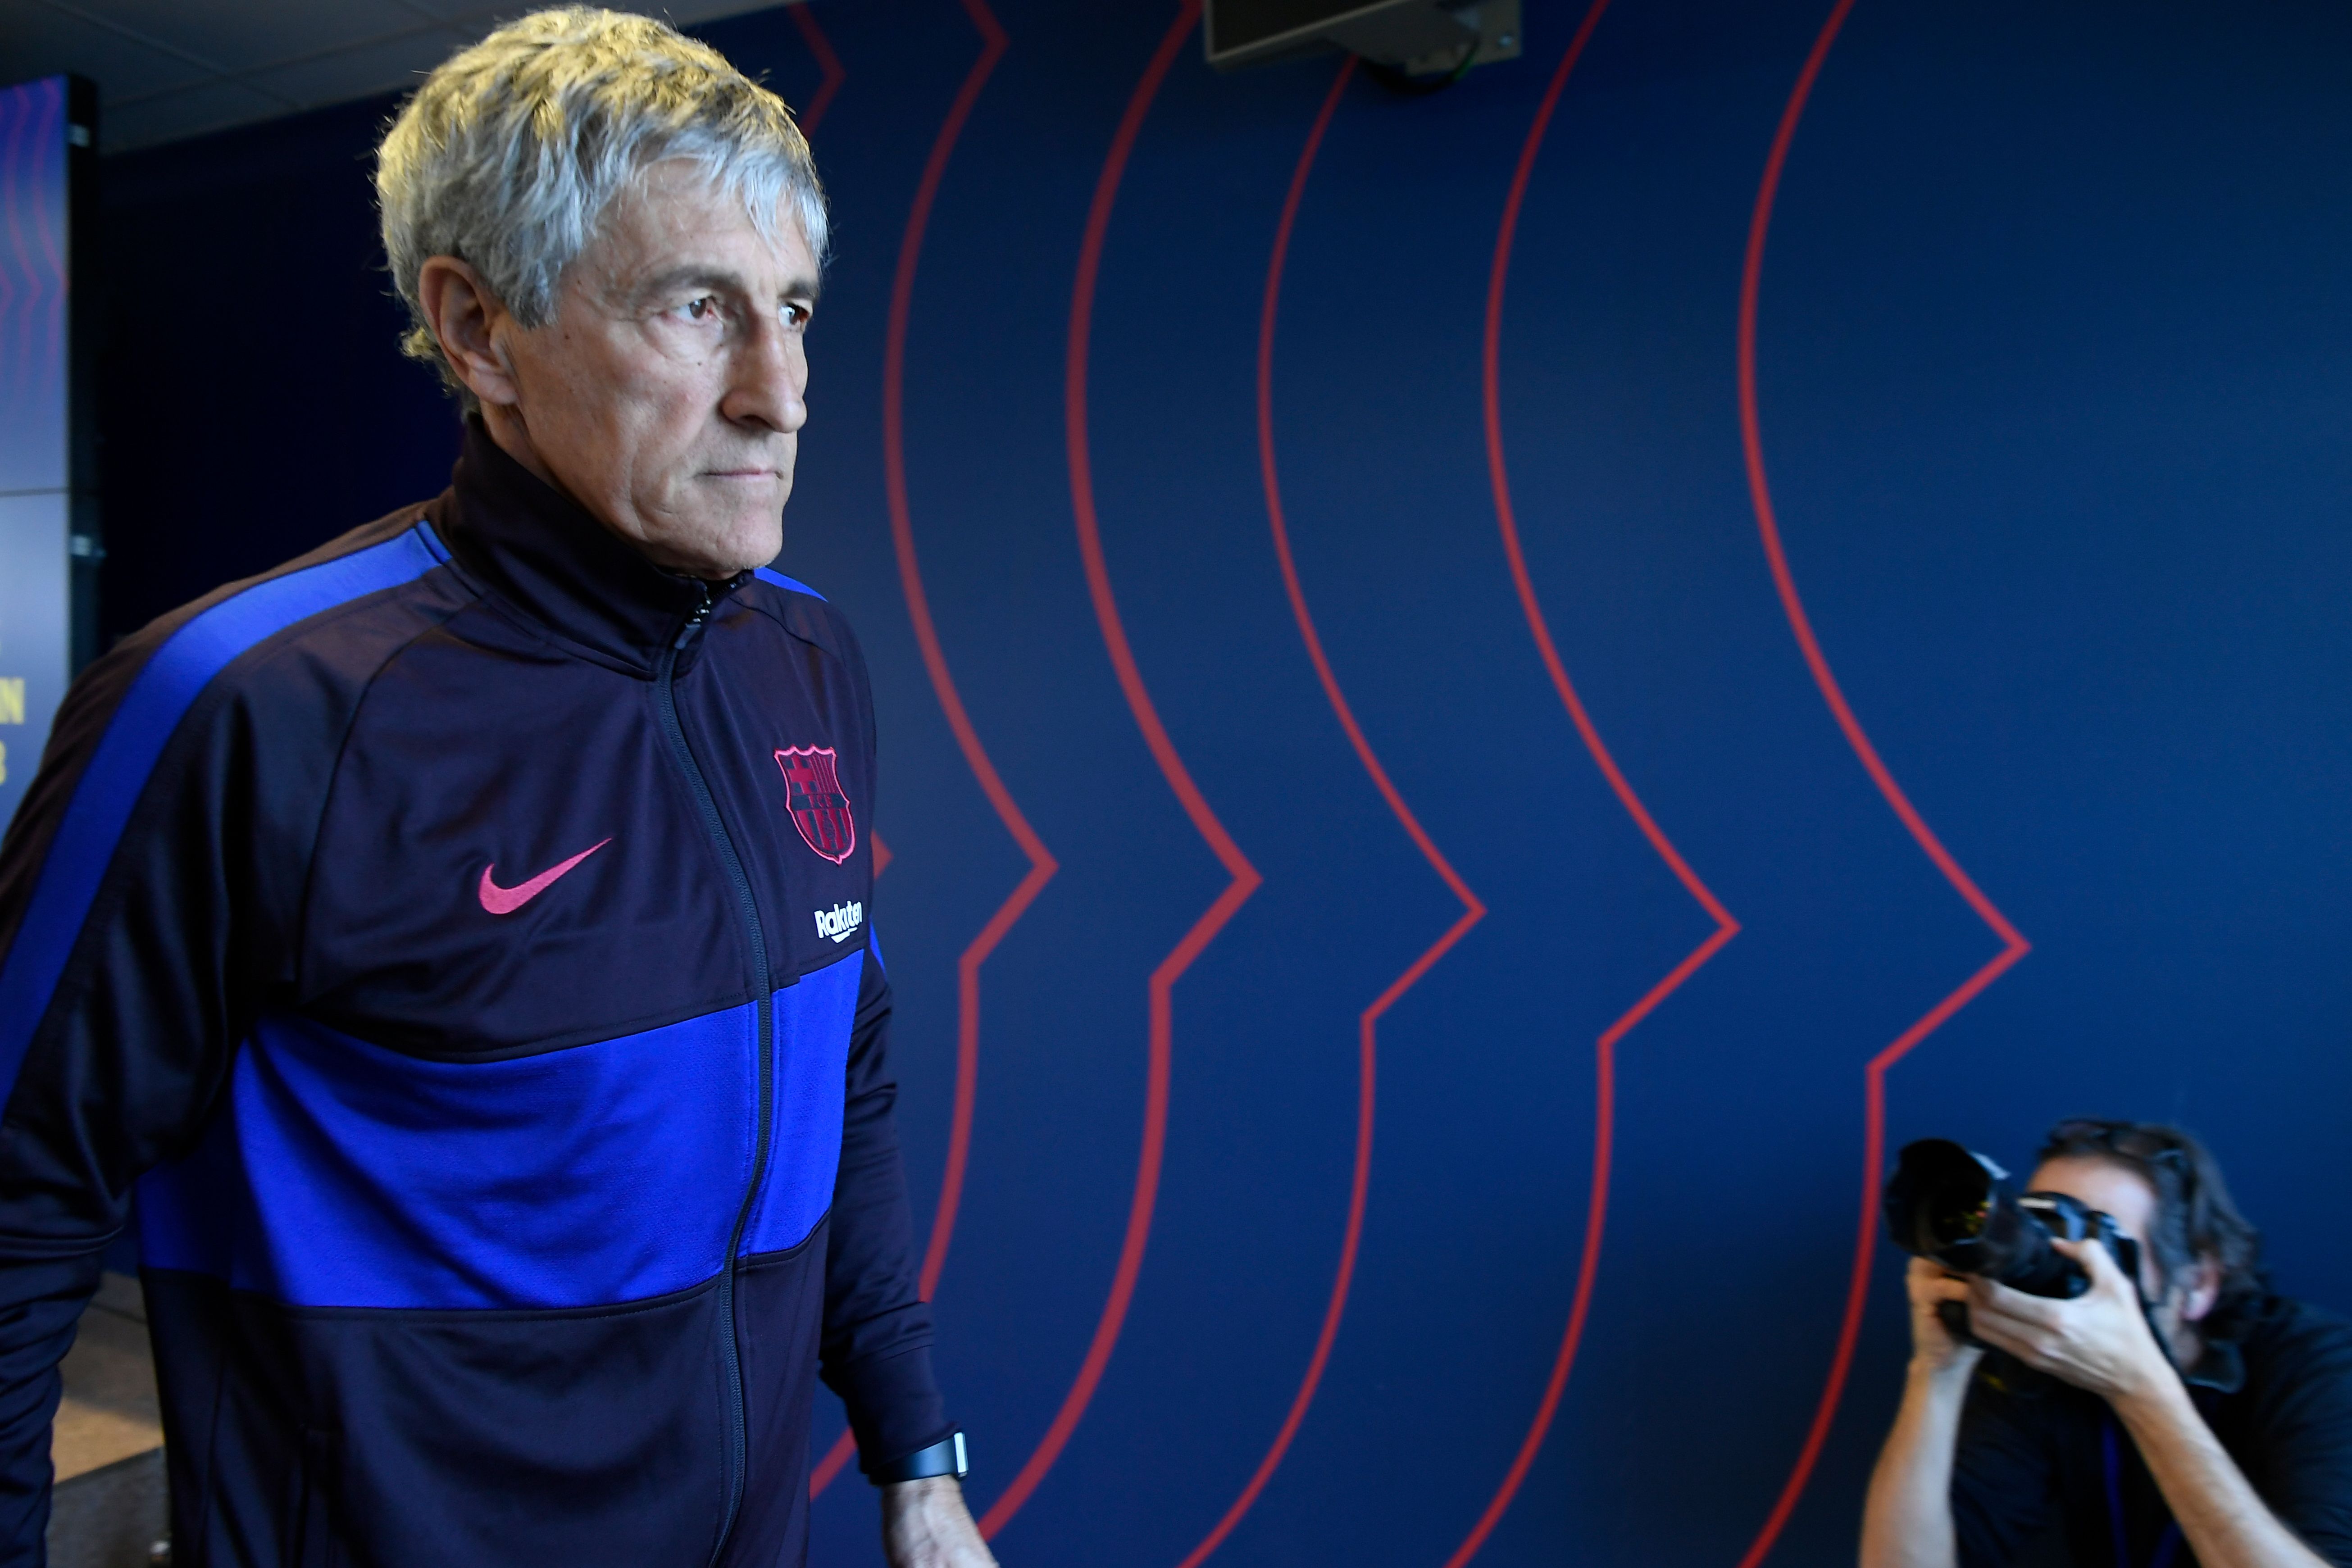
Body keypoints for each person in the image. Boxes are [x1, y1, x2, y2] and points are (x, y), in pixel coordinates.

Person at [0, 10, 996, 1565]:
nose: (781, 391)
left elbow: (840, 1072)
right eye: (698, 307)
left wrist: (913, 1455)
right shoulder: (242, 703)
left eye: (794, 310)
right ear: (478, 329)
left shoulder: (807, 658)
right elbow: (14, 1208)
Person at [1861, 1119, 2352, 1568]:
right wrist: (1937, 1370)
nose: (2063, 1259)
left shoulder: (2315, 1364)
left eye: (2096, 1242)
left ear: (2198, 1282)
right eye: (2043, 1228)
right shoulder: (2038, 1364)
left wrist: (2139, 1390)